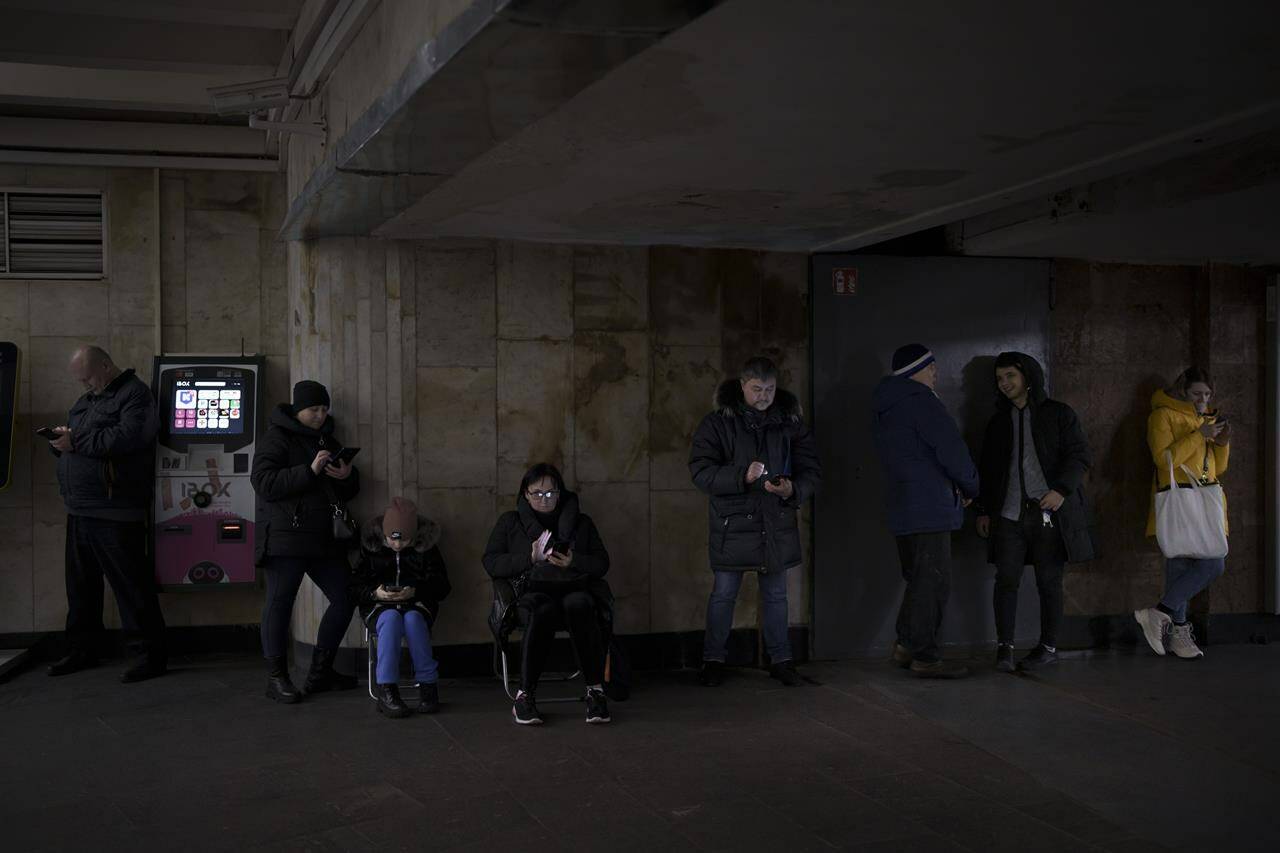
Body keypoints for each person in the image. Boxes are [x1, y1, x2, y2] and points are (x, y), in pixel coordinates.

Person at [689, 356, 821, 687]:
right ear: (742, 386)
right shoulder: (718, 423)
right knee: (724, 594)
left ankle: (781, 660)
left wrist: (794, 488)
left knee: (777, 595)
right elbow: (700, 471)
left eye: (770, 389)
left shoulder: (790, 422)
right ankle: (713, 660)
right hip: (733, 525)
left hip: (774, 520)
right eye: (757, 389)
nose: (763, 396)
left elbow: (811, 469)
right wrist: (741, 476)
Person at [46, 345, 167, 683]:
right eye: (80, 380)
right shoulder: (88, 401)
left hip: (116, 509)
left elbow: (130, 438)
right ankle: (82, 649)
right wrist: (61, 442)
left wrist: (77, 441)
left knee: (131, 587)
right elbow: (83, 440)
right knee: (81, 587)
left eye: (87, 377)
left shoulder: (135, 395)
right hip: (80, 507)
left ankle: (150, 655)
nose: (84, 385)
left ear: (105, 365)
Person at [976, 352, 1095, 673]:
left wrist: (1061, 491)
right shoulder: (998, 422)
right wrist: (985, 510)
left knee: (1049, 581)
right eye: (1000, 379)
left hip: (1047, 512)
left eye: (1010, 376)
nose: (1005, 384)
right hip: (1009, 515)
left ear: (1027, 377)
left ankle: (1048, 647)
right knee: (1007, 580)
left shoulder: (1057, 414)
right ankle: (1005, 648)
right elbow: (987, 470)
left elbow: (1080, 455)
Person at [872, 344, 979, 679]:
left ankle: (906, 645)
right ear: (917, 369)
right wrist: (972, 486)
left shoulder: (886, 405)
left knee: (918, 580)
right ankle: (926, 657)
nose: (935, 373)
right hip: (931, 505)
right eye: (931, 367)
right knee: (933, 583)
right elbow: (952, 450)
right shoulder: (921, 402)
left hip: (903, 505)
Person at [251, 380, 360, 703]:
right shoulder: (277, 437)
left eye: (324, 409)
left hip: (323, 537)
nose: (320, 415)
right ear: (298, 409)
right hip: (286, 538)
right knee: (279, 604)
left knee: (346, 595)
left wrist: (347, 476)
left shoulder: (327, 438)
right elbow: (263, 482)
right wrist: (309, 471)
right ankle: (276, 678)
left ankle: (320, 672)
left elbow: (347, 489)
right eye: (314, 409)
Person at [482, 463, 612, 726]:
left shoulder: (581, 522)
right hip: (531, 592)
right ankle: (524, 696)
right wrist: (528, 558)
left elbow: (601, 564)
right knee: (542, 610)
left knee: (581, 605)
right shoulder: (511, 522)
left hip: (573, 587)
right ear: (526, 495)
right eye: (537, 493)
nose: (545, 499)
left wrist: (574, 560)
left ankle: (595, 692)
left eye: (551, 493)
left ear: (561, 493)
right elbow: (491, 562)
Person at [1134, 367, 1230, 659]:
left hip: (1205, 497)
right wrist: (1199, 436)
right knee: (1182, 565)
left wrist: (1222, 443)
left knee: (1212, 563)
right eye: (1197, 393)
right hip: (1178, 498)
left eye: (1208, 394)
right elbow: (1164, 461)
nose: (1203, 399)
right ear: (1182, 391)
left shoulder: (1206, 419)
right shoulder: (1162, 415)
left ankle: (1160, 614)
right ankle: (1178, 632)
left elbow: (1218, 467)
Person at [352, 497, 451, 717]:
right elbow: (354, 586)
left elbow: (443, 587)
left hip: (417, 604)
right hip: (378, 606)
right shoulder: (372, 548)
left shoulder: (426, 548)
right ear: (383, 534)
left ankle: (428, 686)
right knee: (391, 619)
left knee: (413, 620)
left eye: (404, 540)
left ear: (414, 535)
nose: (397, 545)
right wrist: (374, 592)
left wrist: (415, 590)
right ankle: (387, 690)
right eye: (392, 539)